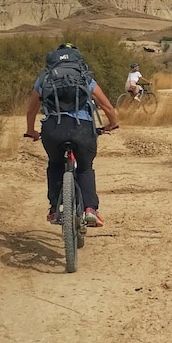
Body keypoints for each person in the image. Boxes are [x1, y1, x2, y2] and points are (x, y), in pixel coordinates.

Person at [24, 43, 117, 227]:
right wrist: (111, 125)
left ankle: (53, 209)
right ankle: (90, 209)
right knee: (84, 167)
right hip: (82, 128)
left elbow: (31, 112)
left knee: (55, 164)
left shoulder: (44, 78)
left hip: (53, 129)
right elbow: (108, 107)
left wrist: (31, 131)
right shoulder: (84, 77)